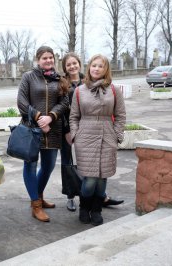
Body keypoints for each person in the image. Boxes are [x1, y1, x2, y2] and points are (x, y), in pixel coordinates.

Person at [61, 53, 124, 212]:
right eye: (94, 65)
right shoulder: (80, 90)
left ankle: (96, 210)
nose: (96, 69)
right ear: (89, 68)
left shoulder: (114, 90)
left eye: (100, 66)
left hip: (107, 135)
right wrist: (75, 134)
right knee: (89, 179)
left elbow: (120, 115)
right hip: (85, 137)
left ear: (106, 69)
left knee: (102, 178)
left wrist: (117, 134)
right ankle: (84, 208)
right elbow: (74, 116)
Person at [17, 46, 69, 222]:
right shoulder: (28, 77)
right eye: (44, 58)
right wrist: (40, 118)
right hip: (32, 129)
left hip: (53, 130)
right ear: (38, 60)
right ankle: (35, 205)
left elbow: (64, 102)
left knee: (48, 166)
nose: (48, 60)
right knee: (30, 166)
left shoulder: (59, 79)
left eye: (51, 57)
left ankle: (38, 195)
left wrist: (51, 117)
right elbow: (22, 103)